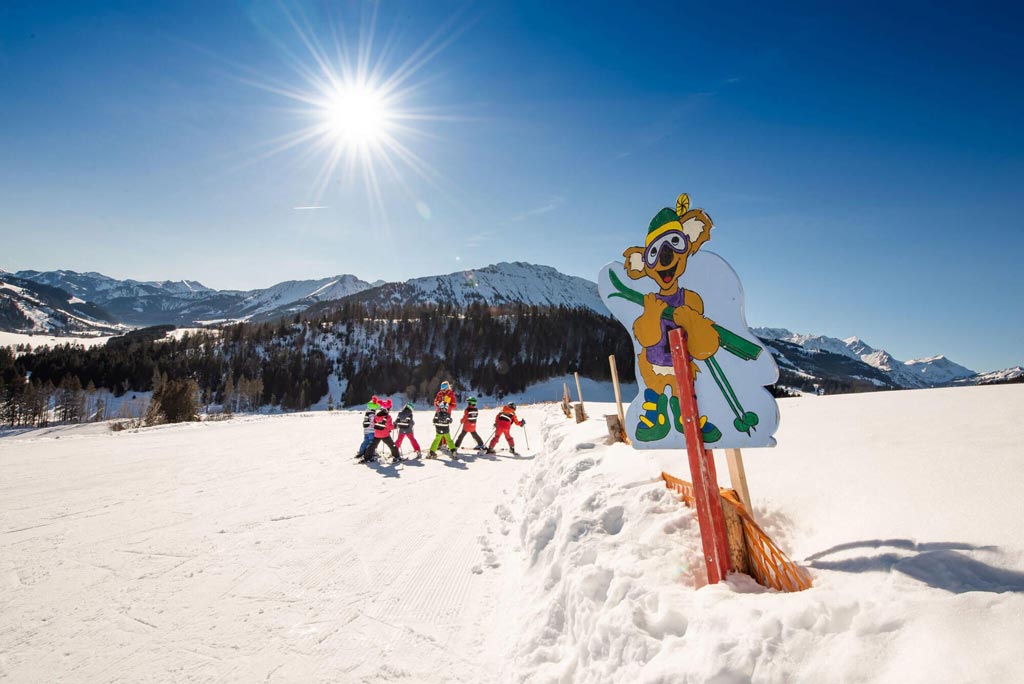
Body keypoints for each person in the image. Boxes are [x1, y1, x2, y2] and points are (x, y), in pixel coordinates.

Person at [361, 398, 400, 463]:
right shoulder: (388, 417)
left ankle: (367, 457)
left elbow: (374, 424)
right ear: (387, 409)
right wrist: (395, 426)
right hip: (385, 435)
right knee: (392, 446)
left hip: (377, 434)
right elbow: (390, 427)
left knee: (372, 446)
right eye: (389, 408)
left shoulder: (376, 416)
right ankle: (396, 457)